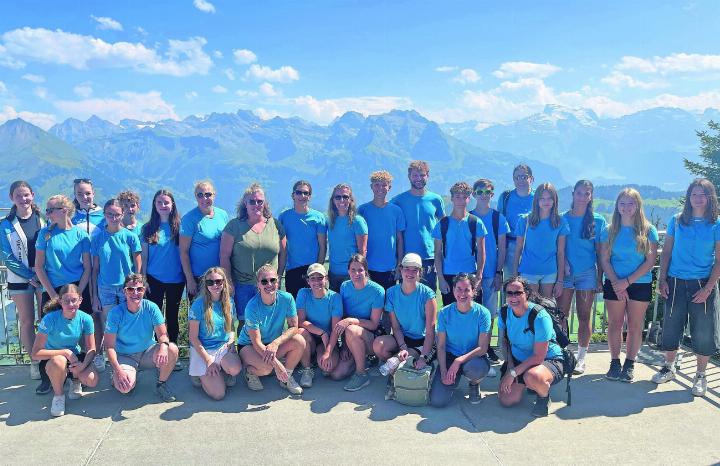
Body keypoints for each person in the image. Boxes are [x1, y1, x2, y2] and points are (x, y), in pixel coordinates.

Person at [653, 178, 720, 397]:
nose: (698, 198)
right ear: (688, 197)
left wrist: (709, 288)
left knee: (703, 330)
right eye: (694, 194)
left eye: (702, 194)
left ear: (710, 198)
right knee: (671, 325)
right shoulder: (677, 220)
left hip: (702, 282)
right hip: (675, 280)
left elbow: (719, 260)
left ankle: (700, 375)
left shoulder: (716, 224)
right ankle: (669, 366)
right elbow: (667, 253)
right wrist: (662, 280)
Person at [600, 188, 658, 382]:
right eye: (622, 203)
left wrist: (626, 282)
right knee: (615, 324)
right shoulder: (608, 231)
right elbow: (604, 259)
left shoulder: (649, 230)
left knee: (635, 326)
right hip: (614, 282)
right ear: (617, 206)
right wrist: (618, 283)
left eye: (630, 203)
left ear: (638, 205)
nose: (626, 208)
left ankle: (630, 363)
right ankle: (615, 362)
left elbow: (650, 262)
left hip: (639, 283)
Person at [498, 277, 566, 417]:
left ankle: (543, 397)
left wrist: (512, 374)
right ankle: (530, 384)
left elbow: (538, 356)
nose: (513, 297)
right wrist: (510, 367)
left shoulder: (539, 316)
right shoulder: (504, 312)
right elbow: (505, 342)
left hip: (548, 359)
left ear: (527, 294)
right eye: (509, 293)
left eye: (518, 293)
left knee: (533, 376)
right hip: (519, 359)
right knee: (507, 400)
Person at [105, 273, 179, 402]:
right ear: (124, 291)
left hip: (147, 353)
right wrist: (118, 370)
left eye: (139, 289)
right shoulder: (115, 313)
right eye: (130, 289)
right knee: (125, 388)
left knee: (171, 349)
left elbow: (162, 335)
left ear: (144, 290)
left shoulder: (151, 307)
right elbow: (109, 346)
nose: (135, 293)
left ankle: (161, 383)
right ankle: (118, 375)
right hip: (125, 356)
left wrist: (163, 346)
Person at [558, 180, 607, 375]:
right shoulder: (562, 219)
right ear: (573, 194)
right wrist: (563, 268)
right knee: (561, 314)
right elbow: (558, 248)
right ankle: (562, 352)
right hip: (566, 273)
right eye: (579, 193)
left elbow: (600, 253)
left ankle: (581, 357)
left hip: (587, 273)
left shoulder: (598, 221)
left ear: (591, 196)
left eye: (586, 194)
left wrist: (599, 277)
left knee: (584, 316)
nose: (582, 197)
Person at [373, 253, 437, 397]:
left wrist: (423, 357)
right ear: (400, 270)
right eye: (407, 269)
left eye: (415, 269)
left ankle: (412, 366)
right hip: (402, 338)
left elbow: (431, 332)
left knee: (402, 362)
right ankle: (398, 367)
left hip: (422, 341)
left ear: (420, 272)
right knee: (378, 344)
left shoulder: (428, 295)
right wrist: (403, 348)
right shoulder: (391, 292)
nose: (410, 273)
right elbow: (395, 327)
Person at [221, 183, 286, 323]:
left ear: (265, 203)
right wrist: (228, 282)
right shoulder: (233, 226)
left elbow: (283, 254)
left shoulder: (275, 225)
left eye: (259, 201)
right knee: (245, 325)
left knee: (270, 323)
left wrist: (279, 277)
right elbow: (224, 256)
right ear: (245, 203)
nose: (256, 204)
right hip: (243, 285)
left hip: (269, 284)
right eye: (252, 201)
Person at [237, 265, 306, 395]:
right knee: (267, 368)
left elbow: (294, 327)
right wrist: (277, 365)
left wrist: (276, 343)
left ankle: (286, 378)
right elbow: (256, 343)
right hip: (249, 346)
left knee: (299, 341)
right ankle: (250, 371)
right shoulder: (252, 307)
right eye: (264, 281)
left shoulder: (287, 298)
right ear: (258, 284)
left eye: (273, 280)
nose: (269, 284)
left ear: (278, 281)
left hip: (272, 343)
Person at [91, 199, 142, 372]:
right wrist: (94, 295)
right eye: (109, 214)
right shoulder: (97, 239)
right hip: (105, 288)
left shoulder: (130, 237)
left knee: (127, 323)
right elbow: (95, 268)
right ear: (104, 215)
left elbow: (137, 264)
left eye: (117, 214)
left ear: (122, 215)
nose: (113, 217)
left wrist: (137, 286)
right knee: (109, 326)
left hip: (125, 287)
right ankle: (112, 361)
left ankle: (127, 359)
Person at [31, 284, 98, 416]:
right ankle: (59, 396)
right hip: (53, 360)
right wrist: (65, 352)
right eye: (67, 301)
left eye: (74, 300)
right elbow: (35, 353)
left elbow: (92, 349)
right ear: (60, 301)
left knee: (92, 380)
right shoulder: (49, 319)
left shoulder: (86, 318)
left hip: (74, 358)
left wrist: (82, 365)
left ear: (80, 300)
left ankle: (74, 380)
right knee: (59, 361)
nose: (71, 304)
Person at [0, 181, 44, 379]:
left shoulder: (43, 219)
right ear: (12, 198)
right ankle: (34, 361)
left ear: (32, 195)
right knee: (27, 322)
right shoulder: (5, 225)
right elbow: (6, 256)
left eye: (26, 195)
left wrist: (38, 275)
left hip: (44, 278)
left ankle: (48, 360)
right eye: (19, 196)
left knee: (45, 321)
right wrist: (30, 275)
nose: (23, 199)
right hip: (20, 279)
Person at [321, 254, 384, 391]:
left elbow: (373, 324)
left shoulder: (378, 291)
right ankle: (361, 360)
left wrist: (351, 321)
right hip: (350, 336)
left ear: (366, 271)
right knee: (336, 375)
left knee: (351, 329)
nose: (357, 273)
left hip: (371, 337)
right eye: (353, 270)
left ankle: (361, 374)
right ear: (348, 271)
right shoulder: (345, 286)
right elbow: (343, 317)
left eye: (360, 270)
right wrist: (344, 345)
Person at [430, 273, 491, 407]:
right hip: (450, 356)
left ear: (474, 291)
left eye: (467, 290)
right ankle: (453, 379)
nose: (462, 293)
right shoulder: (444, 313)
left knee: (476, 369)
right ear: (453, 290)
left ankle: (474, 384)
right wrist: (444, 370)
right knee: (437, 401)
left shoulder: (483, 313)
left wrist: (459, 361)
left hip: (473, 357)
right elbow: (440, 346)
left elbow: (483, 348)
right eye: (459, 289)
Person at [141, 190, 185, 369]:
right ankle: (154, 353)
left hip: (176, 279)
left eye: (166, 202)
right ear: (154, 205)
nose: (163, 206)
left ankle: (173, 354)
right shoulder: (148, 228)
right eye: (159, 202)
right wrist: (143, 278)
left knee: (172, 318)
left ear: (172, 204)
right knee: (154, 317)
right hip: (154, 279)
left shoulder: (180, 227)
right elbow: (143, 257)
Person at [471, 178, 510, 364]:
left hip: (491, 272)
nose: (483, 196)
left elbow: (502, 248)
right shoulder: (468, 217)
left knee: (490, 313)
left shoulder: (498, 218)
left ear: (492, 195)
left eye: (487, 192)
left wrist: (498, 272)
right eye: (480, 192)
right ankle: (475, 347)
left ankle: (487, 347)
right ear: (474, 194)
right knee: (472, 312)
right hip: (471, 274)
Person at [35, 195, 93, 319]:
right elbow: (39, 266)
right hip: (53, 288)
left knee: (82, 330)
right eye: (47, 210)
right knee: (52, 333)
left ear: (64, 210)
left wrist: (79, 293)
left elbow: (87, 268)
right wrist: (53, 295)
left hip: (77, 287)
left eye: (51, 210)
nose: (47, 213)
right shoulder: (44, 233)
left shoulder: (81, 235)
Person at [188, 267, 242, 400]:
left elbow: (231, 329)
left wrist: (231, 341)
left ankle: (219, 370)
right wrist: (208, 361)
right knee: (218, 394)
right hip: (203, 350)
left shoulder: (229, 302)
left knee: (235, 369)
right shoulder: (198, 305)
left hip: (222, 347)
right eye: (210, 282)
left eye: (218, 281)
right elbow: (193, 338)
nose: (215, 285)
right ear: (205, 285)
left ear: (224, 282)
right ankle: (200, 373)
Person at [391, 160, 445, 289]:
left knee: (429, 297)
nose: (418, 179)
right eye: (415, 175)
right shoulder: (398, 201)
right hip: (406, 257)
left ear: (428, 175)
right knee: (407, 297)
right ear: (409, 176)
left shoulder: (436, 199)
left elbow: (444, 227)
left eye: (422, 175)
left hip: (429, 256)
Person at [433, 182, 487, 305]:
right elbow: (437, 253)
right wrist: (440, 279)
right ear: (452, 198)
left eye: (464, 197)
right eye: (457, 196)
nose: (461, 200)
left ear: (469, 199)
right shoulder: (442, 224)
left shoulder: (476, 222)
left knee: (473, 312)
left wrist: (479, 277)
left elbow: (482, 252)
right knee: (450, 313)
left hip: (470, 273)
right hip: (448, 275)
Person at [512, 182, 569, 298]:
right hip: (528, 270)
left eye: (549, 198)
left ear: (555, 200)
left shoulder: (560, 222)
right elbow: (518, 249)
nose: (546, 202)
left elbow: (561, 252)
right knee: (530, 307)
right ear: (536, 200)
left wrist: (560, 281)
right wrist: (514, 275)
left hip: (550, 271)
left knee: (546, 308)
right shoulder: (524, 220)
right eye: (542, 199)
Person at [180, 180, 229, 301]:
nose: (204, 198)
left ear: (214, 195)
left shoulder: (223, 215)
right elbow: (183, 252)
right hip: (199, 277)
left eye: (208, 194)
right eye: (200, 195)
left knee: (221, 314)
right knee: (199, 316)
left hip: (220, 277)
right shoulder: (189, 219)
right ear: (195, 197)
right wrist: (190, 280)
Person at [296, 263, 343, 388]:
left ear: (326, 278)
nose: (316, 282)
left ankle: (318, 355)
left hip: (328, 339)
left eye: (320, 278)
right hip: (312, 337)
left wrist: (327, 352)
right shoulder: (303, 293)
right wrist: (321, 333)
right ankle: (307, 369)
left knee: (328, 368)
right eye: (313, 278)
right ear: (308, 281)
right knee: (300, 332)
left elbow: (335, 329)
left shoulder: (335, 297)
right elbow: (300, 321)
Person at [278, 180, 327, 297]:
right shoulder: (284, 217)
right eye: (299, 192)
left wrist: (318, 271)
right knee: (295, 310)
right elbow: (281, 248)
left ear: (310, 196)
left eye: (306, 193)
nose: (302, 196)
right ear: (293, 195)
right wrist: (279, 274)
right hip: (292, 270)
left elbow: (323, 247)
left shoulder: (318, 218)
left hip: (312, 270)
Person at [358, 171, 405, 290]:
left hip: (390, 268)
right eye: (377, 185)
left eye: (384, 185)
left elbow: (399, 239)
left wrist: (399, 265)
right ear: (371, 187)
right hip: (368, 267)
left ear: (389, 187)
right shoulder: (362, 210)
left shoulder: (396, 211)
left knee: (388, 306)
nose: (380, 188)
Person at [326, 184, 368, 291]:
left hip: (351, 275)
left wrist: (357, 274)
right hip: (333, 273)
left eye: (345, 197)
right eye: (338, 197)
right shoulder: (330, 221)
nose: (341, 200)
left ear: (350, 200)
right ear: (333, 200)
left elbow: (362, 251)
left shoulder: (357, 221)